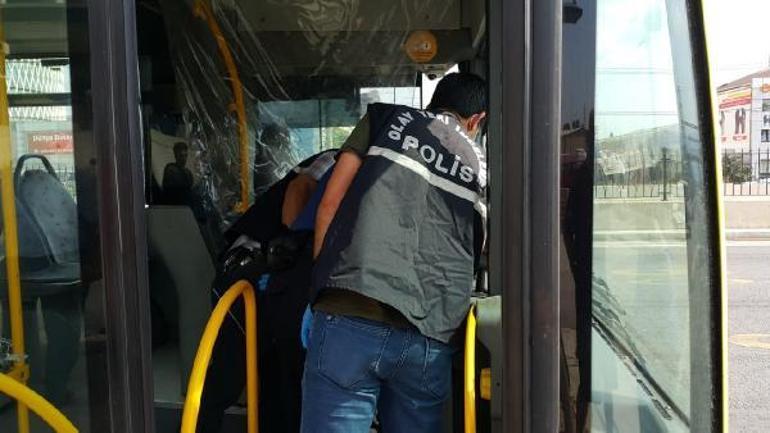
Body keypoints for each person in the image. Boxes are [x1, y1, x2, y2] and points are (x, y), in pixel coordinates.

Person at [304, 72, 487, 433]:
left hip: (350, 311)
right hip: (430, 331)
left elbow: (330, 204)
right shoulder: (481, 164)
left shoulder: (383, 118)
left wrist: (317, 293)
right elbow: (476, 246)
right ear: (477, 120)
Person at [197, 150, 337, 433]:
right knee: (228, 373)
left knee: (278, 372)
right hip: (250, 268)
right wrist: (292, 244)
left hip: (278, 277)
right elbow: (300, 188)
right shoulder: (336, 159)